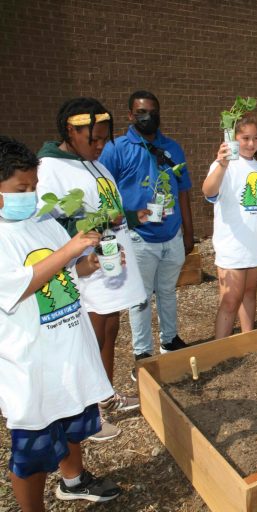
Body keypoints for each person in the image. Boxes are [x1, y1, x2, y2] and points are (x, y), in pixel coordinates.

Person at [0, 136, 122, 509]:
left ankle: (73, 479)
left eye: (34, 187)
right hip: (30, 360)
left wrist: (90, 263)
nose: (32, 196)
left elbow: (70, 268)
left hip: (66, 345)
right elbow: (20, 287)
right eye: (22, 189)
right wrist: (71, 249)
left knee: (72, 419)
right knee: (32, 450)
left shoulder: (41, 221)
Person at [36, 97, 149, 441]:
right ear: (70, 131)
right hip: (85, 265)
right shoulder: (50, 168)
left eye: (104, 139)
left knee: (110, 328)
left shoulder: (92, 161)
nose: (100, 145)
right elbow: (50, 222)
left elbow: (102, 205)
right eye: (93, 139)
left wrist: (129, 217)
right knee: (92, 335)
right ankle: (90, 411)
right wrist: (92, 227)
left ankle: (105, 396)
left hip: (111, 260)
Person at [99, 90, 194, 374]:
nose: (147, 116)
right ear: (130, 115)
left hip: (171, 234)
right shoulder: (117, 148)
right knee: (139, 298)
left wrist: (188, 231)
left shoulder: (172, 148)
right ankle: (143, 353)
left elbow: (184, 190)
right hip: (139, 236)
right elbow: (104, 190)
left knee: (167, 291)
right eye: (141, 112)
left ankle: (170, 340)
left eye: (152, 111)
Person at [202, 113, 257, 339]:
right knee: (230, 300)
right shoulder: (224, 164)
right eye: (245, 138)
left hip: (256, 245)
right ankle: (220, 348)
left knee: (249, 294)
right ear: (233, 138)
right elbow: (208, 192)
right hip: (233, 245)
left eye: (256, 139)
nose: (251, 144)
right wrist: (222, 164)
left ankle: (247, 340)